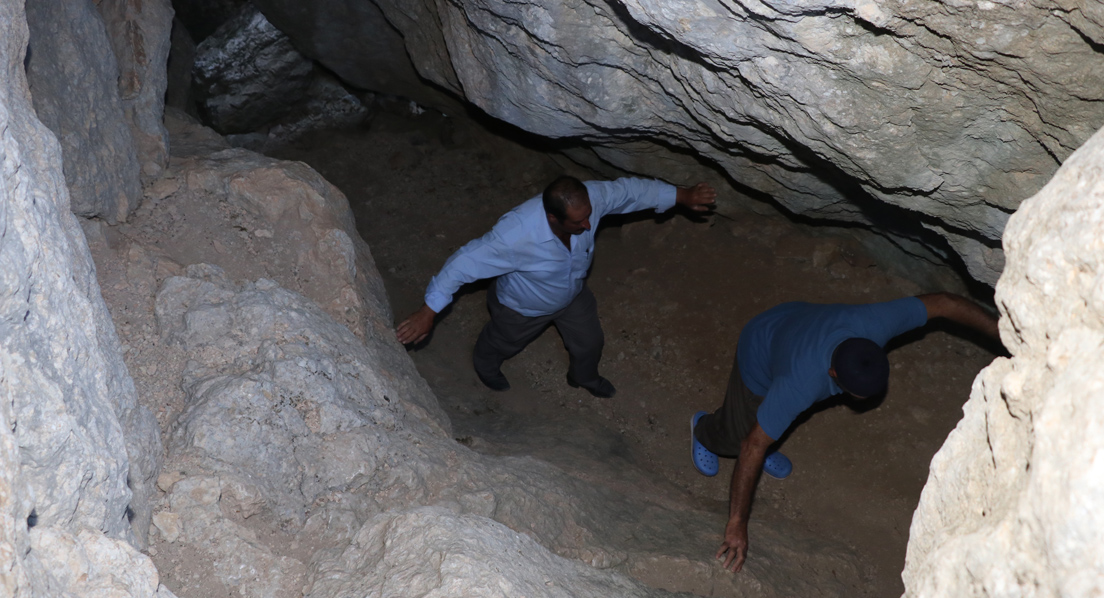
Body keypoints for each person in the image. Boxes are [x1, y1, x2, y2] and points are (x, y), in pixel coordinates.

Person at [689, 293, 999, 573]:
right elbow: (752, 447)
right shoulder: (801, 384)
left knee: (771, 424)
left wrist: (1005, 332)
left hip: (796, 320)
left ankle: (764, 430)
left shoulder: (873, 324)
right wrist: (737, 523)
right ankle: (704, 431)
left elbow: (945, 303)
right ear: (833, 374)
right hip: (761, 344)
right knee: (742, 438)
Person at [396, 175, 717, 397]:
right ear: (552, 218)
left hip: (573, 294)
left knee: (590, 342)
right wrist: (428, 311)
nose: (588, 225)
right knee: (503, 343)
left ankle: (583, 377)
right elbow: (464, 263)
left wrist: (681, 195)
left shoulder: (588, 200)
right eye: (578, 222)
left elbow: (630, 192)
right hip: (522, 307)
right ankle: (486, 366)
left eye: (589, 216)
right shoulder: (516, 235)